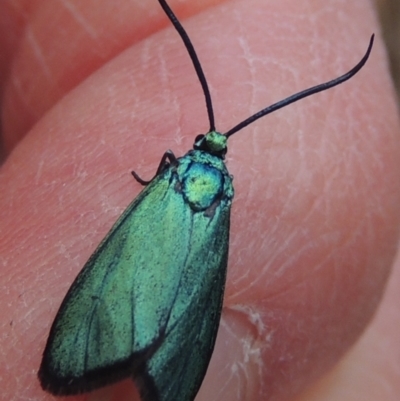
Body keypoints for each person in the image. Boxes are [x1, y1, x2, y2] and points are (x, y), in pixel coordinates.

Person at [0, 0, 399, 400]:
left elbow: (165, 164)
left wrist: (154, 181)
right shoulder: (224, 196)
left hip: (159, 207)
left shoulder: (172, 173)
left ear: (196, 147)